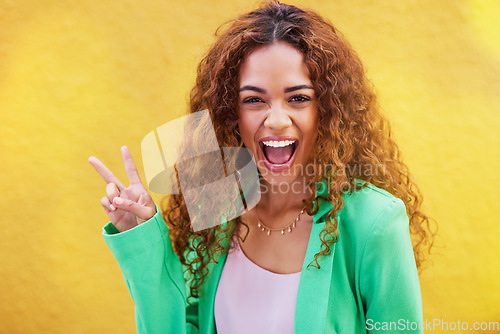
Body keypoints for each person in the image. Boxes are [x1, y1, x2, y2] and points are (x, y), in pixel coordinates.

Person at [88, 1, 435, 333]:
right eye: (254, 100)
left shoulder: (373, 220)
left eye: (298, 98)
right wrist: (145, 234)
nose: (277, 120)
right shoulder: (217, 198)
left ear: (327, 110)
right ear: (229, 113)